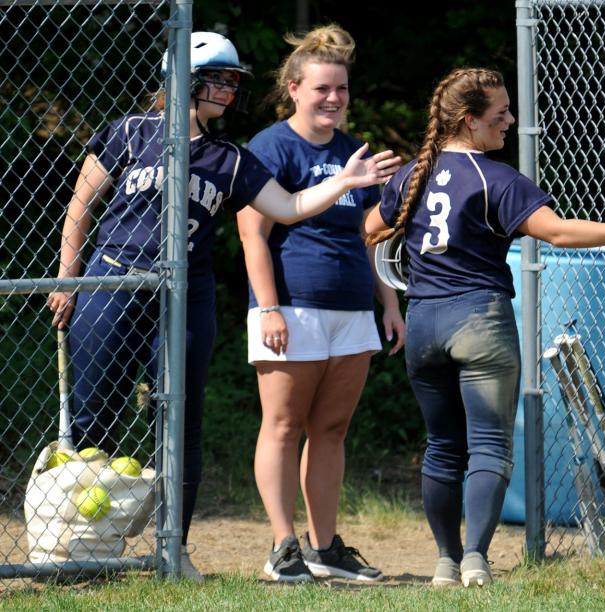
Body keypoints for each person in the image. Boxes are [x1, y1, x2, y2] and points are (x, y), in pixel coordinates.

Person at [45, 31, 401, 582]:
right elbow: (80, 205)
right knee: (96, 412)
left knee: (180, 420)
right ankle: (82, 551)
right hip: (112, 281)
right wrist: (67, 278)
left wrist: (345, 184)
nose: (231, 90)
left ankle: (172, 550)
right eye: (220, 79)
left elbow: (287, 207)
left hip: (189, 291)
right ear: (183, 80)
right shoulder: (131, 132)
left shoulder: (228, 157)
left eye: (236, 80)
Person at [364, 67, 605, 587]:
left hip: (423, 321)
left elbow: (373, 229)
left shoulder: (411, 175)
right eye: (500, 113)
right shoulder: (496, 178)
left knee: (443, 445)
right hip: (479, 320)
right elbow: (556, 232)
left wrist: (401, 277)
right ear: (470, 121)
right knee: (488, 445)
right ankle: (474, 560)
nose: (510, 120)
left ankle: (444, 560)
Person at [237, 24, 403, 584]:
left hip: (353, 308)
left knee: (330, 429)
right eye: (321, 89)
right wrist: (269, 308)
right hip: (292, 306)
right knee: (283, 426)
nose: (333, 99)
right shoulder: (270, 147)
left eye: (342, 89)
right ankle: (283, 547)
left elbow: (368, 233)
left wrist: (389, 304)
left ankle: (323, 547)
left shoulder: (352, 152)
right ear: (293, 89)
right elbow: (252, 234)